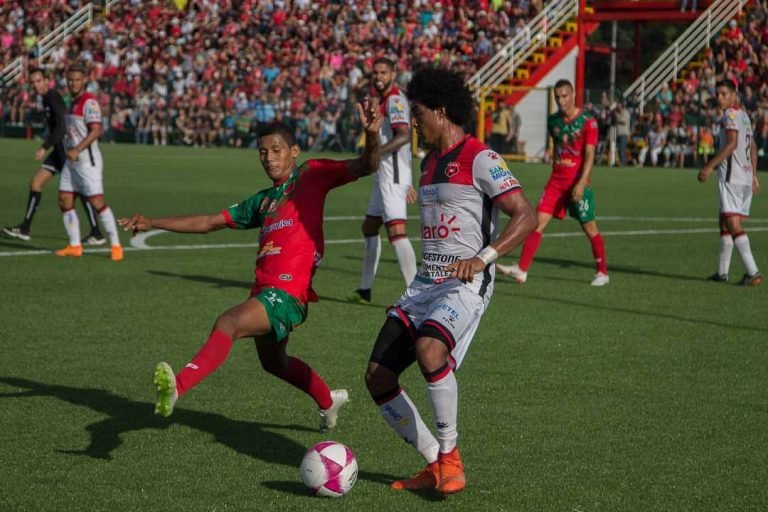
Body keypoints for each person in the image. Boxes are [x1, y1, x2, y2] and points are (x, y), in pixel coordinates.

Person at [118, 101, 383, 430]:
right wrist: (152, 221)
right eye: (262, 152)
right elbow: (208, 222)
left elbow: (366, 165)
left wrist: (372, 136)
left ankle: (178, 387)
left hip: (288, 293)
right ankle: (329, 400)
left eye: (276, 150)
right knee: (274, 363)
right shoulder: (263, 201)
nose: (269, 157)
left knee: (228, 322)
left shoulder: (311, 175)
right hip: (265, 290)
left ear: (294, 152)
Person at [364, 68, 536, 495]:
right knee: (377, 377)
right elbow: (373, 163)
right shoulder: (427, 163)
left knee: (429, 348)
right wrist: (371, 135)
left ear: (441, 111)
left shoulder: (481, 157)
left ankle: (451, 459)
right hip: (425, 284)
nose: (414, 120)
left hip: (465, 282)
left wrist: (483, 258)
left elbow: (526, 215)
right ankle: (434, 462)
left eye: (419, 112)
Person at [496, 79, 610, 286]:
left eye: (564, 96)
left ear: (573, 95)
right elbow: (558, 146)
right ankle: (522, 270)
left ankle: (602, 272)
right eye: (557, 97)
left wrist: (582, 182)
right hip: (556, 182)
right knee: (536, 224)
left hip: (577, 182)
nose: (561, 100)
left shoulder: (588, 121)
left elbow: (590, 154)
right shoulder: (553, 121)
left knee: (589, 226)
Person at [3, 68, 105, 244]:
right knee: (35, 183)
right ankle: (25, 228)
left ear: (46, 81)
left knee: (81, 192)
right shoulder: (45, 99)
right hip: (58, 151)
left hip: (64, 150)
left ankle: (97, 232)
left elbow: (63, 126)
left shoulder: (52, 97)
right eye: (32, 82)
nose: (35, 85)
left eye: (38, 81)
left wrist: (45, 146)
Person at [349, 57, 417, 304]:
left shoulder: (396, 100)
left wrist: (376, 152)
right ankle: (365, 289)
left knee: (397, 232)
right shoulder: (384, 99)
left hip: (394, 174)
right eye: (375, 72)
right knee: (369, 227)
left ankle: (415, 294)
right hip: (384, 174)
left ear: (393, 74)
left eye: (383, 72)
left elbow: (403, 136)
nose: (378, 76)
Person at [54, 63, 123, 261]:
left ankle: (116, 245)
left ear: (84, 80)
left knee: (97, 202)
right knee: (64, 199)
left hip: (87, 162)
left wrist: (77, 148)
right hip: (72, 162)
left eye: (77, 80)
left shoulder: (89, 102)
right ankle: (75, 245)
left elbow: (96, 130)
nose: (73, 83)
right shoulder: (71, 102)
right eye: (70, 80)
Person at [698, 81, 762, 286]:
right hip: (744, 176)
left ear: (735, 95)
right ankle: (722, 272)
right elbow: (752, 145)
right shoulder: (744, 116)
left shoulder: (731, 115)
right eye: (718, 94)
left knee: (733, 223)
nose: (720, 97)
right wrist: (753, 174)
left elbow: (733, 144)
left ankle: (753, 272)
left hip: (732, 177)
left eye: (724, 94)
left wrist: (709, 166)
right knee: (724, 219)